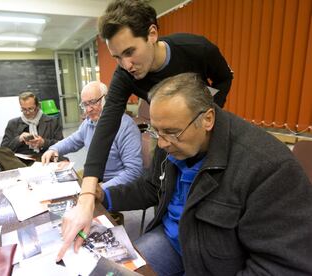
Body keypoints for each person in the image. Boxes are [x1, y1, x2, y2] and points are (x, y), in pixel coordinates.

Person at [58, 0, 233, 260]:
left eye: (130, 52)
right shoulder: (125, 75)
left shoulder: (196, 49)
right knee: (163, 182)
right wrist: (87, 195)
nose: (126, 64)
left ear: (152, 34)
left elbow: (223, 77)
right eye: (117, 57)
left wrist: (204, 117)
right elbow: (105, 128)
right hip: (168, 135)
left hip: (201, 130)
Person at [100, 73, 312, 275]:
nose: (162, 143)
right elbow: (151, 186)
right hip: (173, 241)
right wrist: (103, 196)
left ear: (207, 119)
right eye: (156, 131)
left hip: (218, 265)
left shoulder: (268, 167)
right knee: (112, 271)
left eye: (172, 133)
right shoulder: (170, 136)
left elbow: (280, 265)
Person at [41, 81, 143, 190]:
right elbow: (73, 141)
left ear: (106, 100)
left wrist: (100, 189)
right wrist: (54, 149)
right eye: (85, 104)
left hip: (112, 183)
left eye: (93, 102)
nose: (89, 109)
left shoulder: (125, 126)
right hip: (94, 176)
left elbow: (134, 172)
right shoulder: (89, 122)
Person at [0, 92, 63, 171]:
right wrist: (19, 139)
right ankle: (27, 171)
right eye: (24, 109)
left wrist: (43, 142)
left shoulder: (52, 121)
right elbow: (4, 148)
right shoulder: (13, 123)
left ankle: (24, 172)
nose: (27, 112)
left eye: (31, 109)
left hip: (42, 157)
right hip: (18, 160)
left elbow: (61, 144)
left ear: (37, 106)